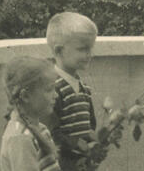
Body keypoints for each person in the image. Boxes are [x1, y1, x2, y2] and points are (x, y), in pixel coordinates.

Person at [43, 12, 103, 170]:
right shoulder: (53, 88)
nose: (89, 54)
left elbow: (89, 124)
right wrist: (75, 143)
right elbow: (50, 133)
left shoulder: (83, 87)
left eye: (90, 48)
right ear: (59, 51)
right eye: (82, 49)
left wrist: (93, 140)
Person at [0, 56, 61, 171]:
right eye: (49, 90)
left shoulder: (38, 128)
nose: (56, 95)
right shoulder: (21, 138)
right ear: (25, 96)